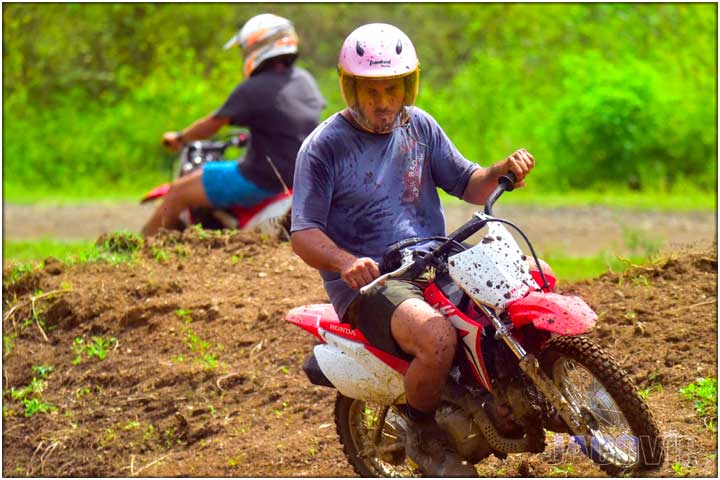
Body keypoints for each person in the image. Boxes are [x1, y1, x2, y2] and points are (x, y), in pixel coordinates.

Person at [290, 23, 535, 477]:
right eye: (372, 91)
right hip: (373, 284)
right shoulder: (323, 148)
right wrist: (346, 262)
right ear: (351, 88)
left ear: (409, 86)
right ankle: (423, 432)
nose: (383, 101)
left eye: (393, 88)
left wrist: (502, 170)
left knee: (524, 290)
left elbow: (468, 183)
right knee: (436, 338)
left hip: (434, 260)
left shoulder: (419, 125)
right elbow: (303, 233)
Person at [142, 13, 326, 236]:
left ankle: (138, 249)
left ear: (257, 47)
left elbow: (212, 124)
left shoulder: (253, 88)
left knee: (178, 192)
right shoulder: (303, 80)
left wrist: (180, 138)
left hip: (259, 180)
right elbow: (289, 122)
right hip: (298, 178)